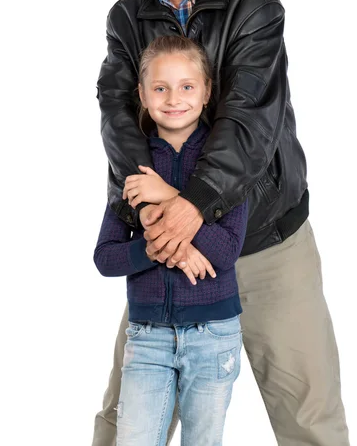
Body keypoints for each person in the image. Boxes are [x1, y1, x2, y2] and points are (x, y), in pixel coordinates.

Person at [93, 0, 350, 446]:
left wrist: (193, 209)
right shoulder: (126, 18)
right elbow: (117, 117)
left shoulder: (250, 0)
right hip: (163, 250)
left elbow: (248, 122)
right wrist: (161, 218)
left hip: (263, 241)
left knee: (309, 416)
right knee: (124, 424)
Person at [94, 36, 248, 445]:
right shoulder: (131, 163)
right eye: (160, 88)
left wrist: (165, 194)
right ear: (142, 95)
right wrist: (153, 248)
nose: (173, 98)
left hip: (214, 334)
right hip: (147, 337)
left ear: (206, 92)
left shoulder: (226, 161)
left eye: (187, 86)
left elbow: (227, 251)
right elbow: (106, 258)